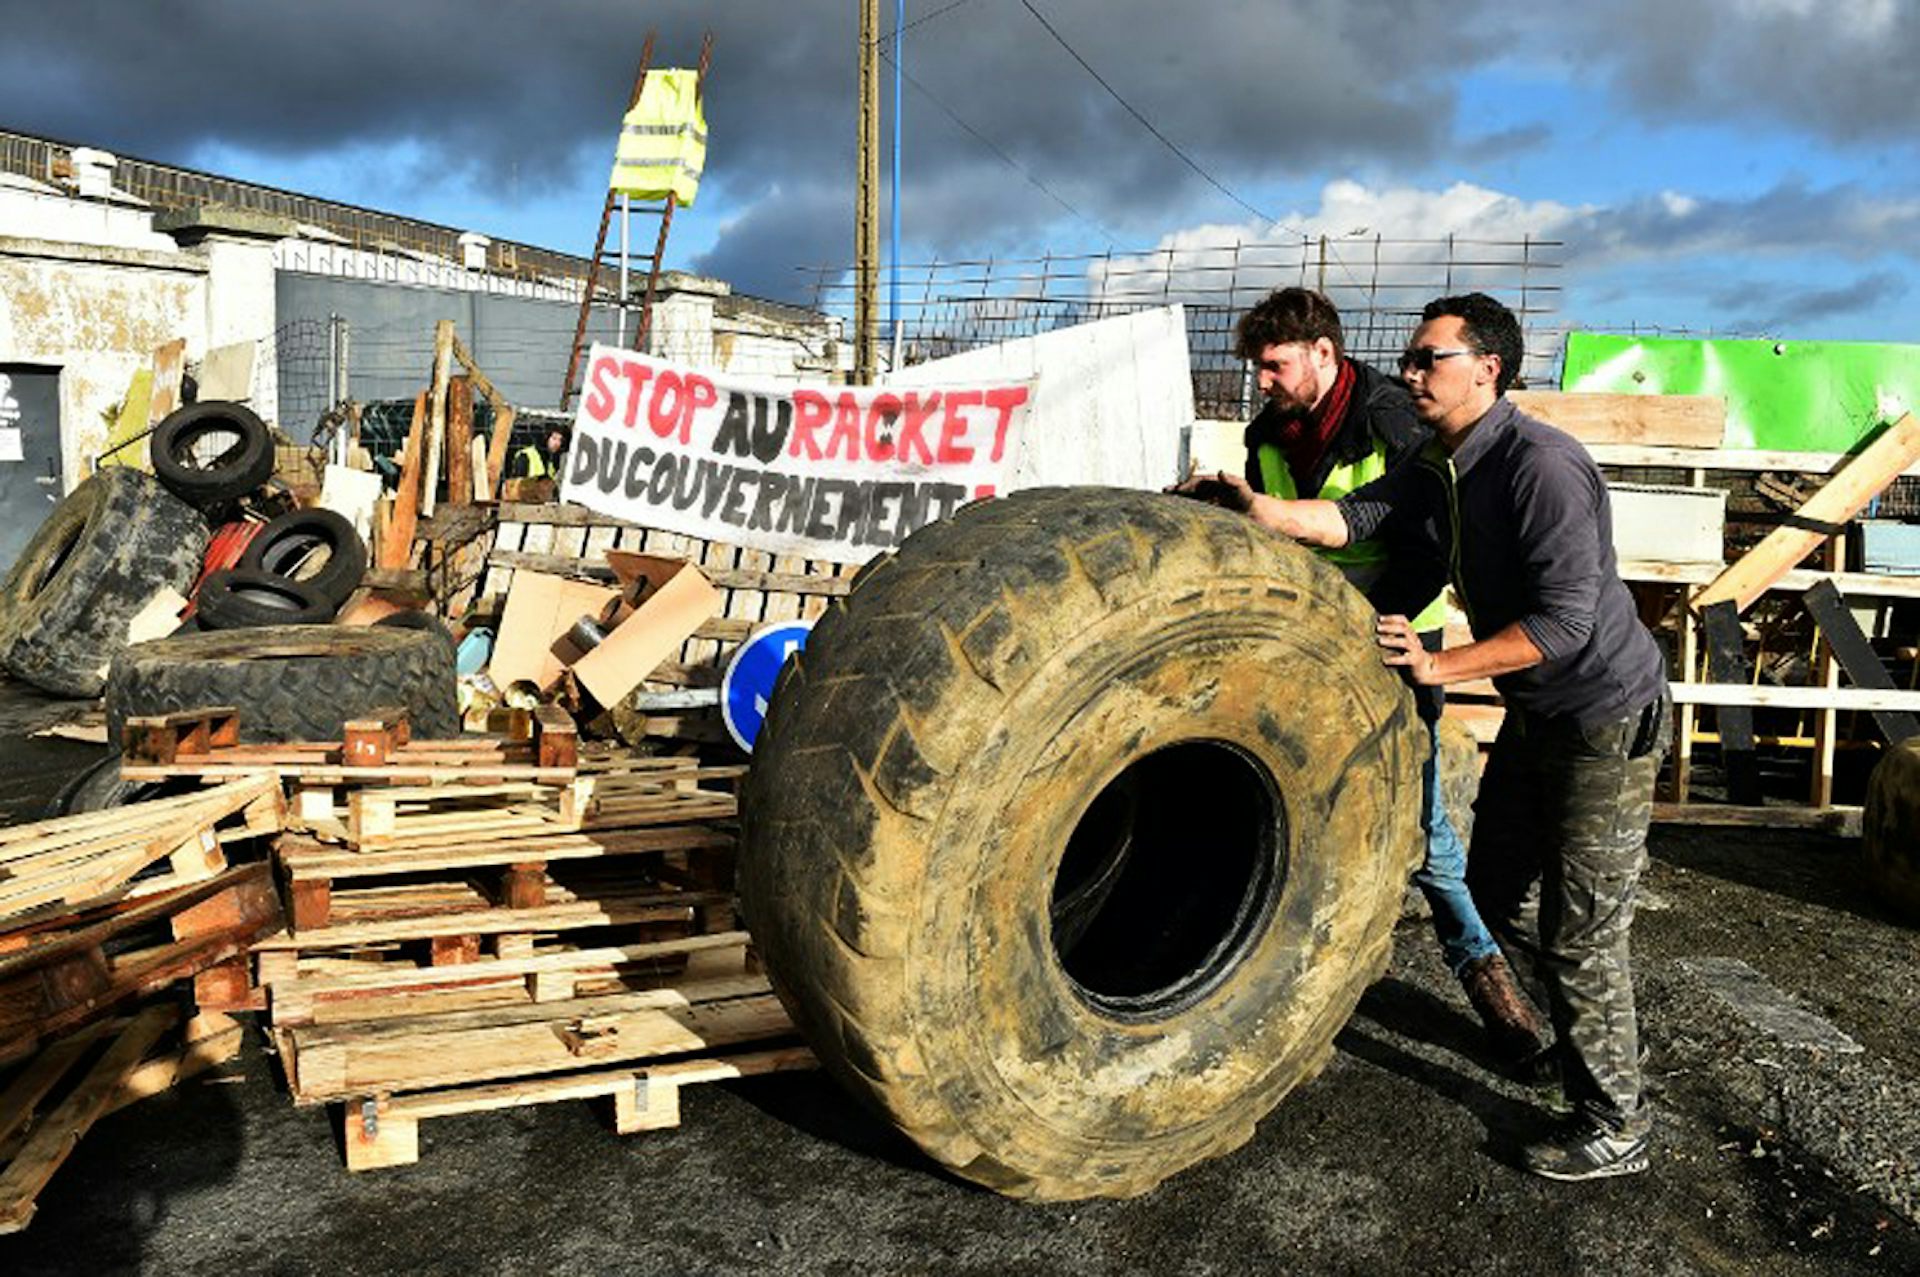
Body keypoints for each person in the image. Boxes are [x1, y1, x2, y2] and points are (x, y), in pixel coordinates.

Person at [1221, 288, 1544, 1066]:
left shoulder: (1398, 423)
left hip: (1395, 635)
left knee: (1419, 808)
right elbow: (1285, 532)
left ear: (1324, 355)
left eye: (1274, 365)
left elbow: (1424, 548)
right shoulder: (1264, 435)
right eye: (1256, 367)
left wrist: (1363, 627)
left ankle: (1490, 980)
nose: (1261, 381)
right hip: (1307, 638)